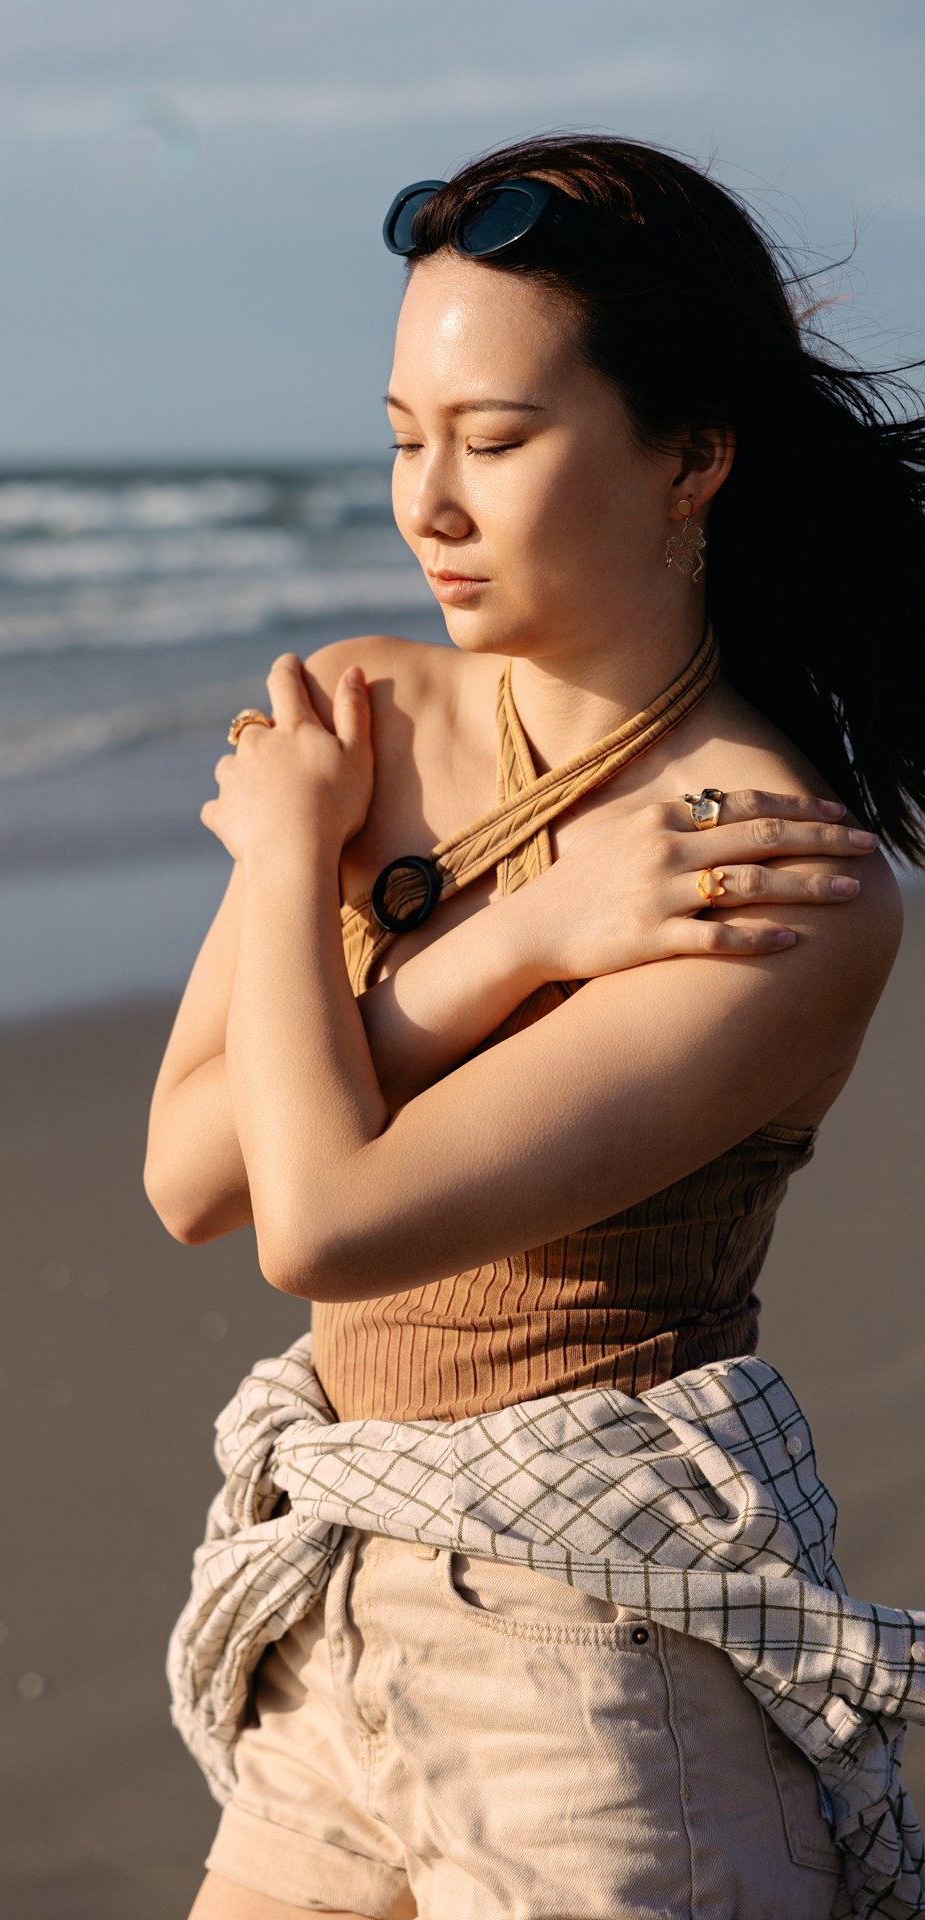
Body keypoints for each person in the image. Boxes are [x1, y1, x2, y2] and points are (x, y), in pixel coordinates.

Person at [144, 134, 925, 1920]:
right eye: (408, 435)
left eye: (493, 443)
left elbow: (321, 1221)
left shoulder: (776, 872)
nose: (429, 504)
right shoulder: (374, 718)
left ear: (693, 459)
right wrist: (517, 944)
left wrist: (289, 870)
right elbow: (190, 1175)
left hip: (593, 1674)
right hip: (326, 1612)